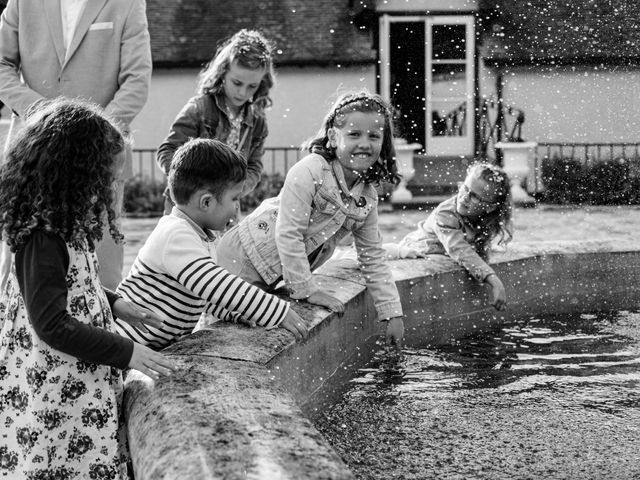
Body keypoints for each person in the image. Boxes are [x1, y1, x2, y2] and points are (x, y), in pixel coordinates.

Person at [0, 99, 175, 479]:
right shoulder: (43, 236)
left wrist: (117, 304)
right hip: (55, 387)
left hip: (76, 375)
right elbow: (51, 324)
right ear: (74, 174)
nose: (115, 188)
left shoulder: (68, 221)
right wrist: (128, 351)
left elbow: (78, 285)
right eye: (108, 178)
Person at [217, 90, 406, 351]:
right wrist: (306, 290)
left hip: (272, 273)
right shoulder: (310, 170)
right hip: (242, 258)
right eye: (354, 134)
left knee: (257, 325)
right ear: (332, 136)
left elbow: (372, 255)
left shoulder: (366, 196)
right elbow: (289, 234)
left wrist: (391, 312)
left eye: (374, 136)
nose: (365, 143)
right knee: (227, 326)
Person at [0, 0, 153, 291]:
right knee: (20, 276)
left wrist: (91, 133)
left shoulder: (128, 3)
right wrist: (41, 114)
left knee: (101, 277)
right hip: (33, 154)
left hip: (100, 157)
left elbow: (137, 80)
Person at [114, 138, 309, 351]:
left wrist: (235, 312)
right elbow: (216, 284)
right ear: (206, 202)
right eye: (235, 199)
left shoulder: (201, 236)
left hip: (148, 346)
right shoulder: (175, 234)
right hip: (123, 347)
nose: (237, 208)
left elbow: (203, 293)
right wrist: (276, 311)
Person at [156, 29, 276, 214]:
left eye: (252, 86)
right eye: (237, 83)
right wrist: (194, 183)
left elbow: (254, 166)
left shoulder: (258, 120)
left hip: (226, 209)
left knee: (224, 245)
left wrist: (236, 190)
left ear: (263, 82)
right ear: (222, 73)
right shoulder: (199, 108)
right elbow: (167, 151)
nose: (243, 93)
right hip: (187, 205)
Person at [384, 162, 513, 311]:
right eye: (465, 188)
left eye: (475, 197)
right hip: (416, 250)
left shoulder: (486, 220)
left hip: (442, 254)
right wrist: (493, 280)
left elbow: (477, 247)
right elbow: (459, 249)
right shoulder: (446, 213)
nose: (465, 197)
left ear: (490, 207)